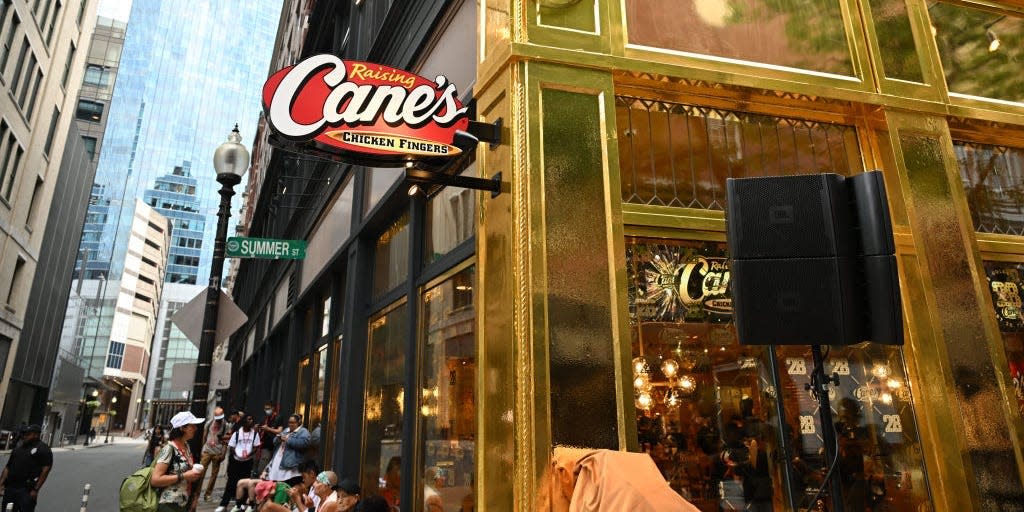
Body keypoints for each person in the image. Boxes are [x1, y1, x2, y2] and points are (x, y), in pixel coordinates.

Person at [150, 411, 205, 512]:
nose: (196, 428)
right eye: (192, 426)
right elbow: (155, 480)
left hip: (183, 502)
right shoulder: (169, 449)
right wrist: (183, 476)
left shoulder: (186, 446)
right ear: (182, 428)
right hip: (169, 505)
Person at [0, 425, 52, 512]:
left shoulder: (43, 449)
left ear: (36, 435)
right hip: (10, 488)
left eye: (28, 434)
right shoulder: (18, 449)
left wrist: (36, 489)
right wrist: (1, 484)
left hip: (26, 490)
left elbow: (46, 470)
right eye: (23, 434)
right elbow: (8, 467)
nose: (24, 436)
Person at [215, 415, 262, 512]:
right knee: (231, 482)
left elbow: (256, 447)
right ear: (244, 421)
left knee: (246, 482)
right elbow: (231, 446)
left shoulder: (254, 434)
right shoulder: (237, 433)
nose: (251, 421)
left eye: (252, 419)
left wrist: (249, 454)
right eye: (249, 419)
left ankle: (242, 504)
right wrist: (237, 454)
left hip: (247, 462)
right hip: (235, 461)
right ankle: (223, 504)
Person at [264, 414, 310, 486]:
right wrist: (278, 439)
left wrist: (287, 439)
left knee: (286, 484)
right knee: (275, 484)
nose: (290, 424)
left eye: (293, 422)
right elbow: (274, 441)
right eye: (289, 422)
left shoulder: (303, 431)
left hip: (290, 464)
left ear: (298, 423)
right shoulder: (286, 430)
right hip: (279, 461)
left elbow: (304, 443)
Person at [201, 407, 230, 502]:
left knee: (214, 475)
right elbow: (204, 436)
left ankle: (208, 494)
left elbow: (226, 441)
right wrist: (202, 449)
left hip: (217, 452)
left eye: (220, 418)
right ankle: (197, 492)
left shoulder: (226, 425)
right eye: (217, 419)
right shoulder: (209, 423)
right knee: (201, 472)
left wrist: (223, 453)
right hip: (207, 451)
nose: (219, 420)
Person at [257, 402, 284, 475]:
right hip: (262, 445)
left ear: (273, 408)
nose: (266, 410)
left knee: (264, 468)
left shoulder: (278, 417)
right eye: (265, 409)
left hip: (272, 446)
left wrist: (268, 429)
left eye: (268, 409)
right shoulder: (264, 418)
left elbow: (279, 431)